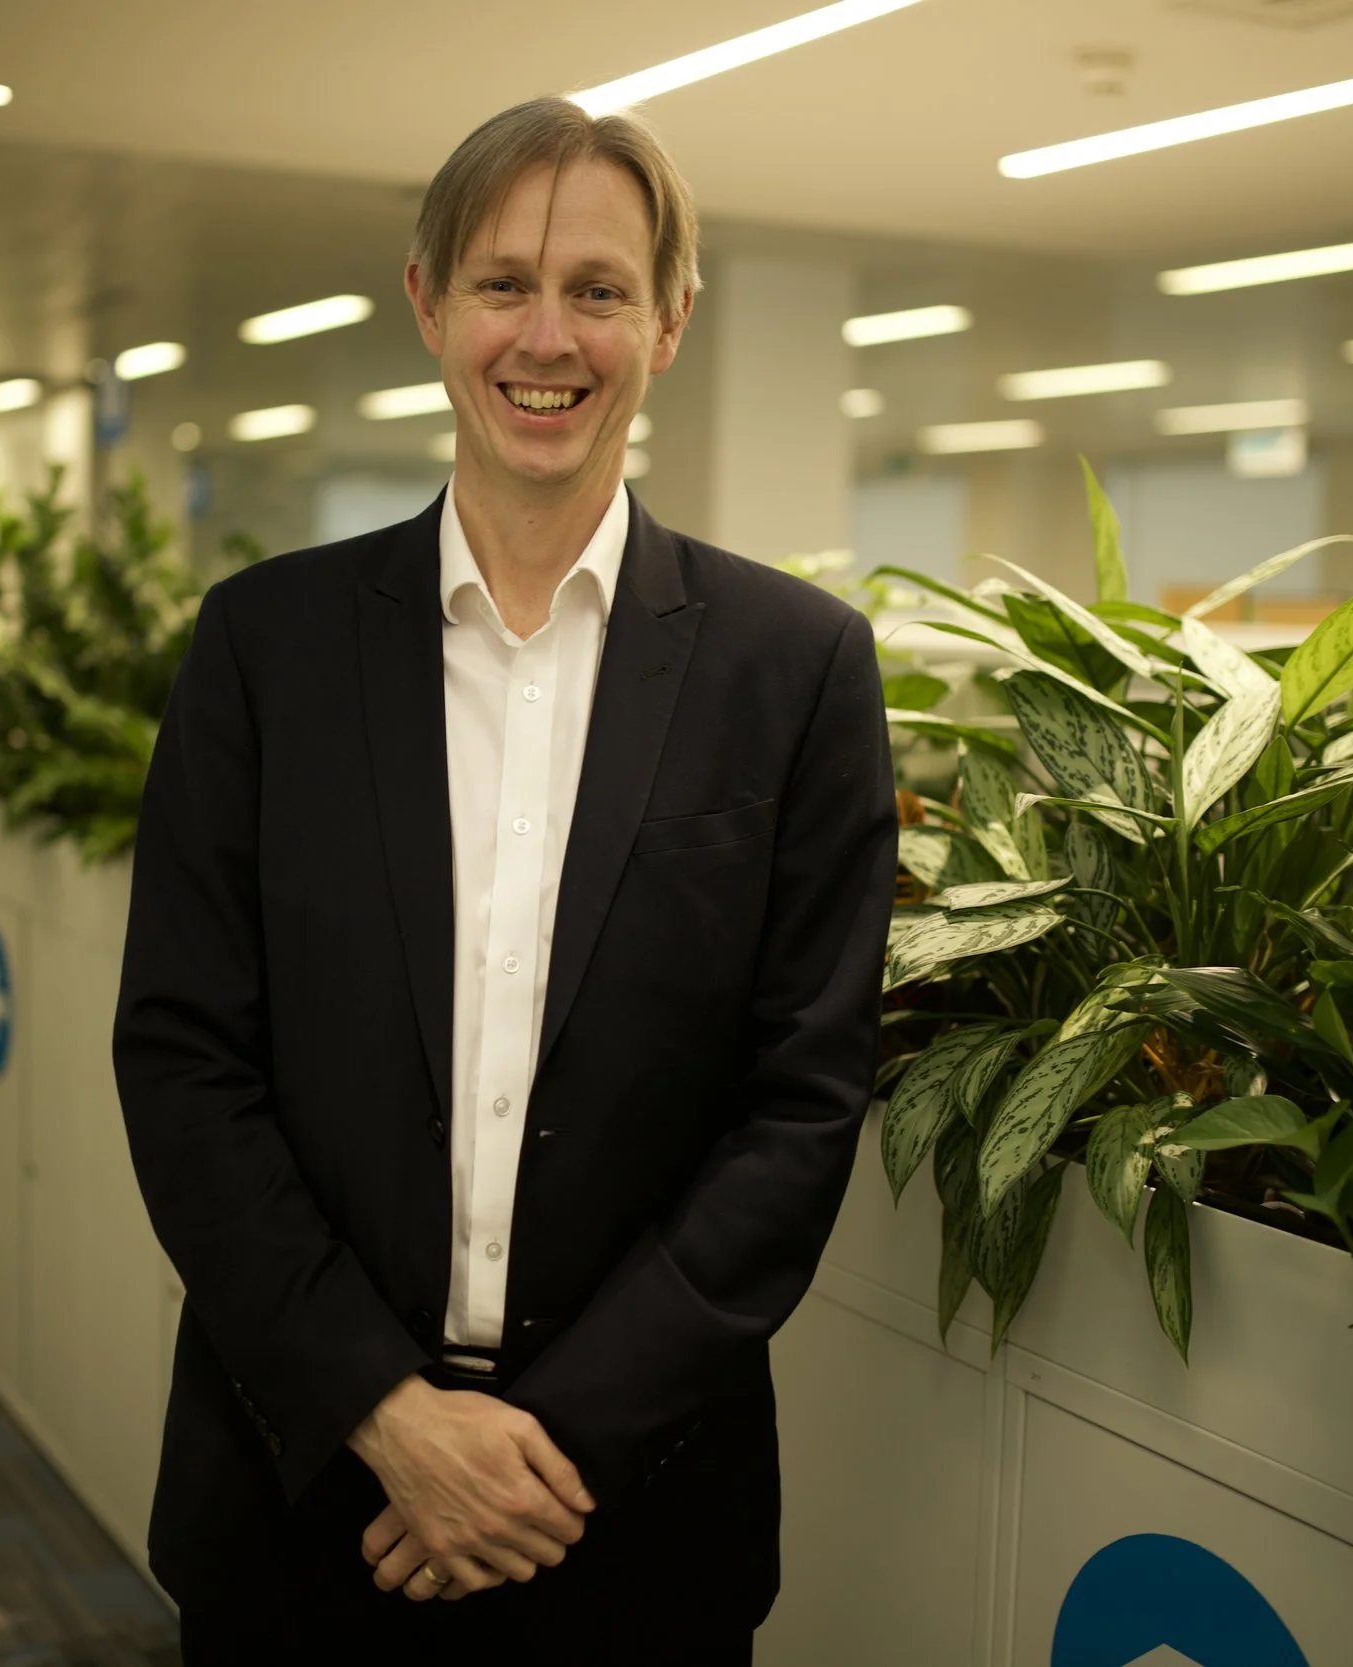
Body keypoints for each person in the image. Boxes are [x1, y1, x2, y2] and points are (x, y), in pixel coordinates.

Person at [113, 95, 898, 1665]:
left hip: (631, 1511)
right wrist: (388, 1415)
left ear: (669, 320)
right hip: (302, 1495)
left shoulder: (793, 670)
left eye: (599, 289)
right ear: (427, 303)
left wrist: (538, 1449)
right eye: (504, 283)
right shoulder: (265, 650)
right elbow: (186, 1063)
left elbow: (800, 1106)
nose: (550, 336)